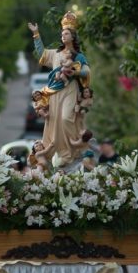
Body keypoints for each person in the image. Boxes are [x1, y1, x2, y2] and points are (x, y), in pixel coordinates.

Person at [28, 12, 91, 168]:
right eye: (62, 34)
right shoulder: (55, 54)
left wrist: (74, 72)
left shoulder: (78, 56)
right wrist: (36, 34)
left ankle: (71, 151)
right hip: (55, 93)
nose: (63, 36)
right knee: (55, 122)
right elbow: (41, 53)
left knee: (66, 118)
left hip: (70, 90)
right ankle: (61, 153)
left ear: (73, 36)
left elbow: (86, 72)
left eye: (66, 33)